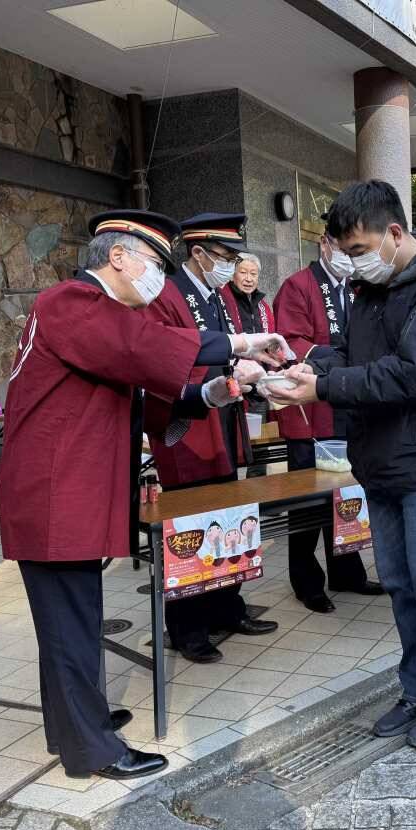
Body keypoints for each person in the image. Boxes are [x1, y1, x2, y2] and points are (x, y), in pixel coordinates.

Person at [0, 210, 289, 779]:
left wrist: (220, 389)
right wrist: (243, 340)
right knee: (70, 623)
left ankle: (74, 726)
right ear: (118, 257)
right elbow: (143, 346)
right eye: (155, 263)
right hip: (56, 497)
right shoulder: (72, 302)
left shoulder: (93, 321)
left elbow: (146, 395)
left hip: (65, 494)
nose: (160, 277)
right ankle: (93, 749)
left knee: (70, 621)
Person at [266, 180, 416, 749]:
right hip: (380, 461)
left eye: (359, 249)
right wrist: (307, 366)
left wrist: (323, 388)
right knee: (399, 584)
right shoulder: (373, 287)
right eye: (345, 251)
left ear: (394, 233)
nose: (352, 261)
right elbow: (353, 354)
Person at [143, 213, 278, 665]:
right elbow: (161, 363)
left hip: (223, 420)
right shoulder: (167, 294)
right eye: (224, 257)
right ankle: (187, 627)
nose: (229, 267)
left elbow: (227, 352)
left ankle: (227, 607)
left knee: (228, 518)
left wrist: (249, 372)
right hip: (187, 424)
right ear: (198, 253)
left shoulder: (216, 295)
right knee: (190, 526)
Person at [271, 227, 383, 613]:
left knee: (346, 494)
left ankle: (347, 571)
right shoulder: (298, 286)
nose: (349, 256)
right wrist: (339, 357)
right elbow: (289, 341)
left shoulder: (356, 288)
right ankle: (306, 581)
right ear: (324, 244)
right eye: (342, 247)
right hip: (310, 409)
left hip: (347, 407)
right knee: (307, 501)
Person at [223, 252, 274, 476]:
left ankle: (258, 487)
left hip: (258, 385)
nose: (248, 278)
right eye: (243, 272)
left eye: (253, 273)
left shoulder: (263, 305)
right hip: (232, 382)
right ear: (232, 274)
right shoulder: (222, 299)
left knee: (259, 443)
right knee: (230, 442)